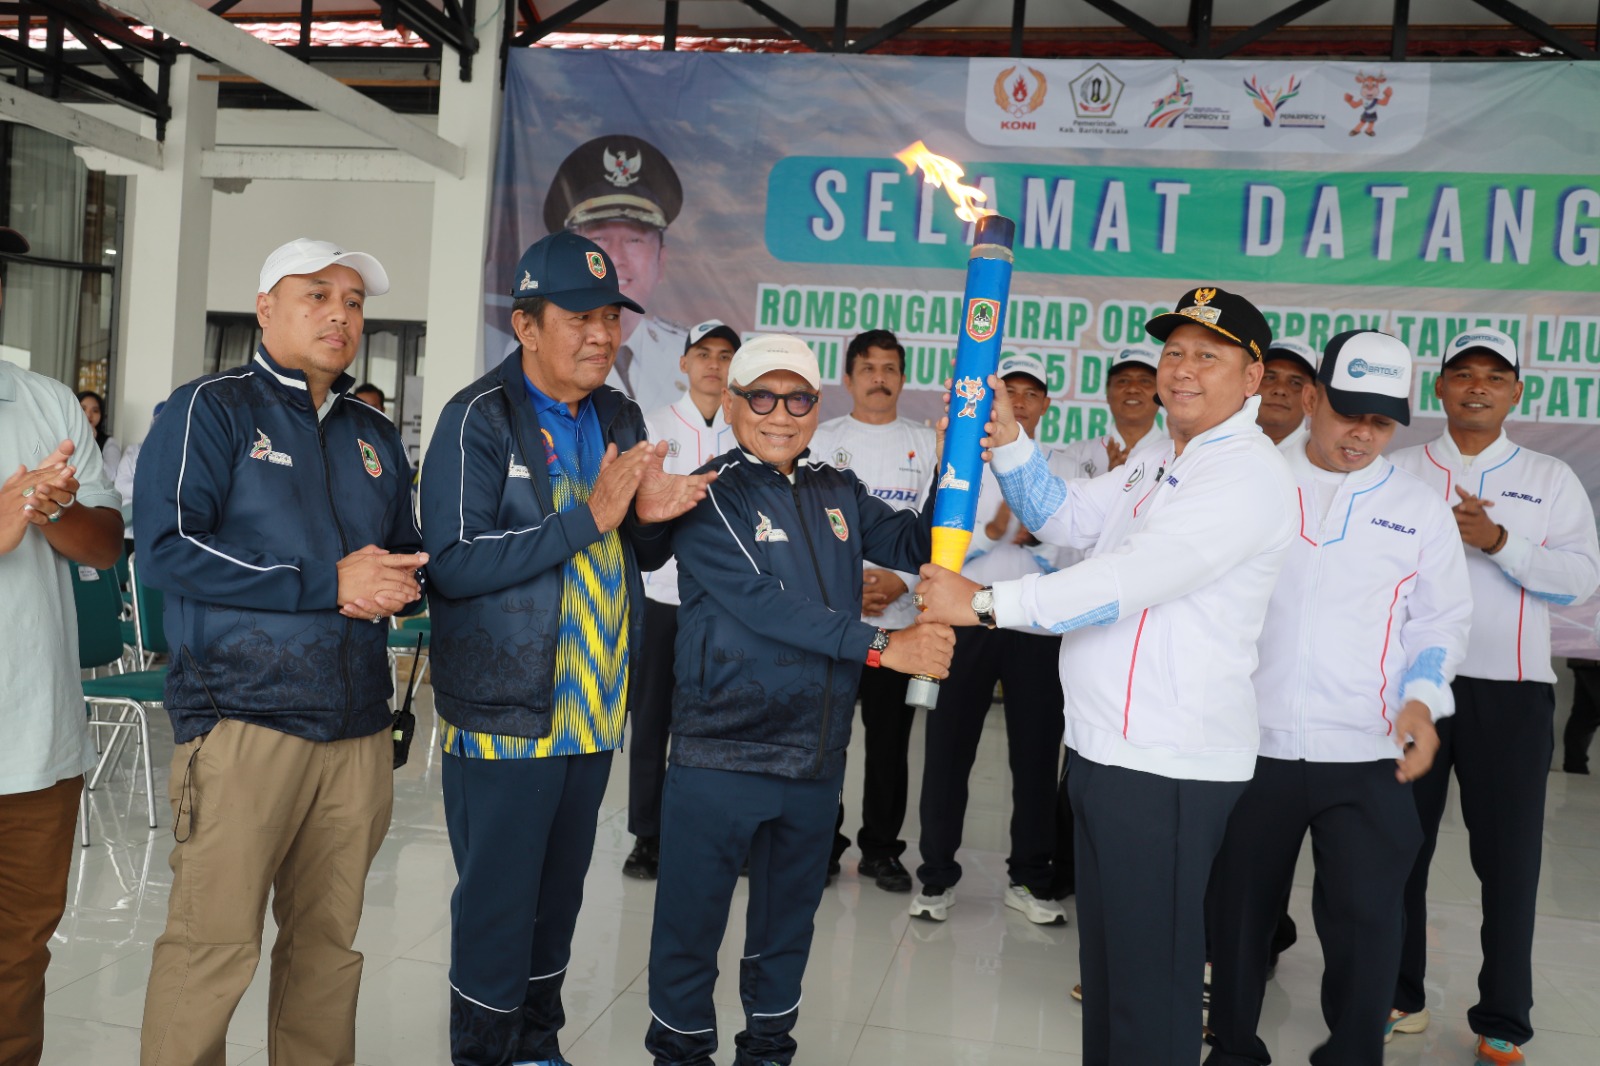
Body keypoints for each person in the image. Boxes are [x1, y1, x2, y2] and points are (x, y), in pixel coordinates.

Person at [916, 285, 1297, 1066]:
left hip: (1169, 764)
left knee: (1150, 988)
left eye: (1208, 356)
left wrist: (983, 603)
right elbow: (1064, 517)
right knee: (1112, 974)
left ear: (1253, 377)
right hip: (1104, 750)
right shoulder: (1161, 453)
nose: (1182, 369)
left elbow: (1120, 584)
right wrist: (1010, 441)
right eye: (1174, 351)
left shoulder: (1245, 475)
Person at [420, 230, 713, 1066]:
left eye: (611, 318)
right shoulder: (477, 418)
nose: (601, 335)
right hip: (507, 709)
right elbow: (454, 562)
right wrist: (589, 518)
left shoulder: (618, 415)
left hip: (591, 705)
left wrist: (655, 522)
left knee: (558, 900)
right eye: (579, 318)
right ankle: (483, 1052)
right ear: (525, 325)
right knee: (499, 904)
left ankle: (536, 1044)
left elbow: (630, 551)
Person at [136, 238, 427, 1066]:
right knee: (212, 948)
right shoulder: (211, 408)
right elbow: (166, 549)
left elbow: (401, 554)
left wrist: (403, 583)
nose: (341, 315)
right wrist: (327, 583)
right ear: (266, 308)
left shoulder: (373, 433)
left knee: (327, 953)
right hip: (243, 722)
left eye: (354, 302)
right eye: (317, 295)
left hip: (356, 729)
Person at [646, 334, 955, 1066]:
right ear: (732, 403)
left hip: (814, 757)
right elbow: (764, 604)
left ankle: (767, 1051)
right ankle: (680, 1055)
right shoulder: (708, 492)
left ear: (818, 407)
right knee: (690, 928)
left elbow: (917, 542)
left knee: (786, 932)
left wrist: (958, 458)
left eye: (797, 399)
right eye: (761, 397)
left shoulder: (838, 489)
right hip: (722, 754)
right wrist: (883, 646)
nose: (779, 414)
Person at [1204, 330, 1472, 1066]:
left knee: (1368, 922)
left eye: (1381, 422)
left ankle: (1353, 1055)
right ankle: (1231, 1050)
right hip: (1249, 744)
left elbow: (1441, 622)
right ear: (1312, 398)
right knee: (1236, 917)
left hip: (1366, 751)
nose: (1362, 435)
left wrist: (1421, 700)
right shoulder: (1251, 480)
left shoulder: (1417, 508)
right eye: (1349, 412)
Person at [1388, 327, 1600, 1066]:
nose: (1477, 386)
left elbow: (1579, 582)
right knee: (1396, 849)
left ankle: (1504, 1016)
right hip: (1415, 691)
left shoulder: (1548, 477)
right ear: (1439, 387)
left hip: (1512, 693)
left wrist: (1500, 540)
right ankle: (1399, 994)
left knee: (1509, 862)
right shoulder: (1399, 469)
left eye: (1494, 376)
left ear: (1516, 392)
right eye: (1463, 373)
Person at [0, 224, 125, 1066]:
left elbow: (105, 545)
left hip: (34, 740)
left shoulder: (43, 402)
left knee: (17, 958)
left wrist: (53, 510)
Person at [911, 351, 1067, 925]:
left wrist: (1033, 536)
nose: (1019, 402)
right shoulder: (963, 460)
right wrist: (998, 531)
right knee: (947, 752)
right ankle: (935, 877)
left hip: (1034, 628)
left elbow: (1071, 547)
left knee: (1035, 757)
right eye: (1011, 392)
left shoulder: (1058, 467)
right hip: (965, 624)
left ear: (1045, 405)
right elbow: (942, 539)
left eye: (1030, 394)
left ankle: (1030, 878)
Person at [810, 328, 937, 893]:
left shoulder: (926, 443)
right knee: (826, 740)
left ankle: (882, 850)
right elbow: (809, 524)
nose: (879, 379)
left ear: (903, 378)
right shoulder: (821, 440)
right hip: (835, 624)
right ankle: (822, 844)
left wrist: (900, 580)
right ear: (848, 378)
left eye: (889, 369)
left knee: (890, 745)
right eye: (868, 368)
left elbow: (936, 527)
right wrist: (849, 585)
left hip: (901, 625)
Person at [625, 319, 740, 879]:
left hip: (729, 601)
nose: (714, 365)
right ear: (684, 362)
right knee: (651, 719)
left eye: (725, 356)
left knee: (723, 720)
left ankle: (714, 830)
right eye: (704, 354)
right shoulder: (654, 425)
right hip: (663, 595)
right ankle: (647, 835)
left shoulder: (747, 429)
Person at [544, 134, 686, 413]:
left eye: (634, 240)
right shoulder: (539, 352)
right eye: (599, 239)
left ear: (661, 261)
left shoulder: (689, 354)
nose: (616, 259)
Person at [1254, 339, 1319, 448]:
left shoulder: (1320, 453)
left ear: (1311, 397)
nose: (1280, 390)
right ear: (1251, 382)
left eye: (1295, 383)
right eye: (1269, 378)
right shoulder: (1226, 443)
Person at [77, 388, 123, 475]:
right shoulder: (62, 436)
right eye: (83, 409)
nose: (88, 415)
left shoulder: (109, 443)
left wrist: (91, 443)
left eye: (95, 410)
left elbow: (110, 475)